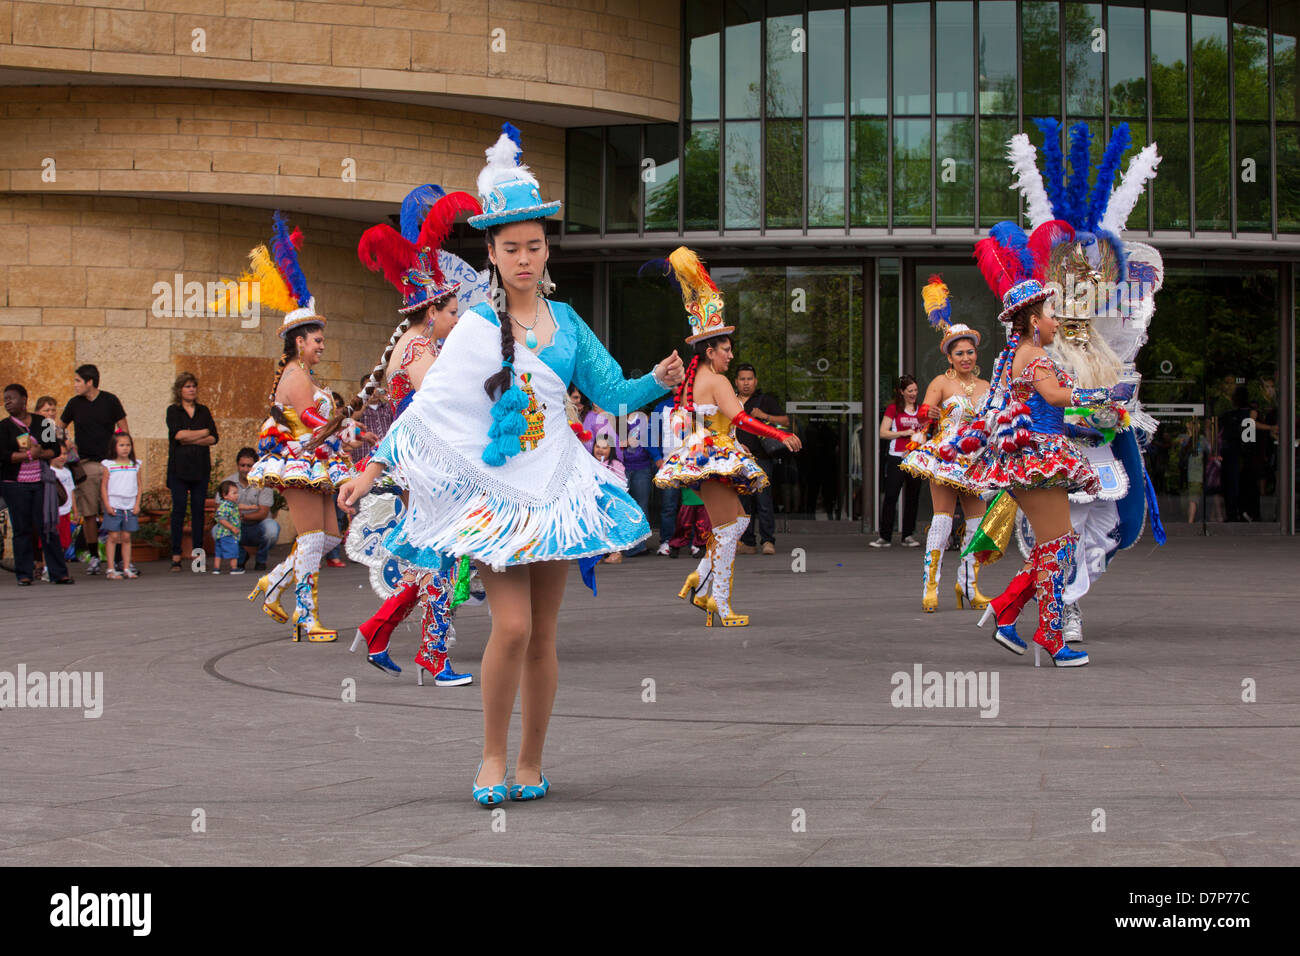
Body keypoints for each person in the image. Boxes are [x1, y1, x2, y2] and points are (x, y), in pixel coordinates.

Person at [339, 124, 684, 805]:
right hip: (497, 494)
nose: (524, 257)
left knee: (546, 633)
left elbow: (611, 393)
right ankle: (491, 756)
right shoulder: (475, 326)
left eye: (533, 245)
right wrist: (370, 472)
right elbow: (428, 408)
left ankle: (531, 761)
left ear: (546, 247)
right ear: (492, 253)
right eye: (510, 247)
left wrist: (659, 379)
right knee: (514, 626)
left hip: (556, 487)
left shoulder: (569, 323)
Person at [952, 216, 1135, 668]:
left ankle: (1007, 610)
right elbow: (1056, 396)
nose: (1057, 321)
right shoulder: (1035, 355)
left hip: (1029, 456)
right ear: (1033, 320)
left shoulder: (1017, 353)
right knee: (1060, 544)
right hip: (1038, 454)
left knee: (1059, 543)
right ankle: (1049, 635)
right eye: (1051, 315)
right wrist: (1104, 395)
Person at [345, 184, 481, 685]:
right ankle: (433, 658)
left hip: (423, 463)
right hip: (430, 464)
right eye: (451, 312)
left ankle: (379, 629)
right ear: (431, 313)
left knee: (435, 555)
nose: (457, 318)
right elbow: (435, 406)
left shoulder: (414, 344)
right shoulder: (422, 349)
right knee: (445, 557)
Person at [217, 212, 359, 642]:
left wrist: (351, 426)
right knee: (315, 538)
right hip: (299, 463)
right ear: (300, 341)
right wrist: (348, 424)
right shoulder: (296, 377)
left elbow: (321, 424)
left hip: (313, 459)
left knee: (329, 538)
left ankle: (272, 584)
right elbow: (315, 424)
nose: (321, 347)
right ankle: (304, 617)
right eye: (317, 341)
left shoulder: (304, 375)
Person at [651, 247, 802, 627]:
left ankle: (700, 582)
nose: (731, 356)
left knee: (736, 523)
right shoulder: (716, 380)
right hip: (713, 457)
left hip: (705, 454)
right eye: (727, 349)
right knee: (729, 527)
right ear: (710, 350)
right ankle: (717, 600)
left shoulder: (696, 379)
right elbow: (742, 419)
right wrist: (781, 435)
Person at [900, 276, 991, 611]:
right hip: (947, 455)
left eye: (970, 352)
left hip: (977, 459)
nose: (965, 357)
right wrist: (929, 411)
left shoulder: (985, 385)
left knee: (978, 526)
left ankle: (968, 585)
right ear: (949, 357)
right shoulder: (940, 381)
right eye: (959, 353)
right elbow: (922, 414)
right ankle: (931, 586)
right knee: (941, 520)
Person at [60, 364, 128, 575]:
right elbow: (57, 427)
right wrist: (67, 443)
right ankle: (94, 558)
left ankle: (118, 559)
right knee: (89, 513)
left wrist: (124, 456)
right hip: (86, 465)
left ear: (90, 382)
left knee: (114, 510)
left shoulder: (110, 400)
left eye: (78, 381)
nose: (75, 385)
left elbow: (124, 429)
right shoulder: (74, 404)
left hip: (110, 464)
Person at [2, 384, 72, 586]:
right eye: (5, 399)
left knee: (48, 527)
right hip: (15, 485)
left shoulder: (44, 424)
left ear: (24, 400)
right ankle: (24, 574)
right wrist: (28, 455)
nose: (7, 402)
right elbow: (5, 456)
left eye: (11, 398)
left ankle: (59, 573)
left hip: (41, 483)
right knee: (22, 529)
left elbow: (55, 450)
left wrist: (39, 453)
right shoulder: (4, 427)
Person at [165, 372, 219, 572]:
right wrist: (201, 433)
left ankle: (198, 558)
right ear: (179, 390)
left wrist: (193, 437)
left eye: (193, 386)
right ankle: (176, 556)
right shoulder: (173, 411)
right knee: (178, 511)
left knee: (198, 512)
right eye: (187, 386)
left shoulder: (203, 411)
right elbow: (178, 435)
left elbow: (213, 436)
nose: (191, 389)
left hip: (200, 469)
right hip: (179, 470)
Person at [733, 363, 787, 555]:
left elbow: (786, 421)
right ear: (736, 382)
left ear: (755, 381)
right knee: (743, 502)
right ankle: (748, 542)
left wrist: (764, 416)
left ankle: (767, 541)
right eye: (742, 379)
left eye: (749, 379)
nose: (746, 383)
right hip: (739, 460)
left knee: (764, 501)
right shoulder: (730, 401)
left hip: (762, 459)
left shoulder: (765, 400)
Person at [871, 374, 925, 548]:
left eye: (915, 390)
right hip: (896, 456)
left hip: (915, 458)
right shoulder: (893, 409)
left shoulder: (921, 410)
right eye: (910, 391)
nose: (913, 394)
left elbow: (927, 431)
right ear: (902, 392)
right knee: (891, 496)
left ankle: (908, 535)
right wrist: (903, 433)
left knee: (912, 497)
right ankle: (885, 536)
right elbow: (883, 432)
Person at [227, 448, 278, 571]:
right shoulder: (228, 483)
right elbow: (220, 509)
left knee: (272, 528)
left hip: (258, 526)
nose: (245, 469)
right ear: (237, 465)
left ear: (255, 466)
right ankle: (241, 556)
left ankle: (261, 559)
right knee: (217, 530)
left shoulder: (264, 483)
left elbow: (263, 513)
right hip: (237, 527)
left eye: (249, 466)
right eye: (242, 465)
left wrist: (241, 516)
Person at [100, 431, 142, 581]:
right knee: (113, 536)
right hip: (114, 505)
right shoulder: (109, 465)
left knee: (126, 536)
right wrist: (107, 504)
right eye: (122, 445)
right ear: (114, 447)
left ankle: (126, 567)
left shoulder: (135, 465)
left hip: (130, 506)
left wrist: (137, 504)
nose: (125, 448)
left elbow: (139, 486)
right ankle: (111, 568)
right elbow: (104, 486)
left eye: (128, 445)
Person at [620, 410, 656, 556]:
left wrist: (629, 441)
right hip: (620, 468)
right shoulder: (616, 417)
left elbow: (648, 440)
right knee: (624, 507)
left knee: (642, 507)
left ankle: (640, 544)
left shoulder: (643, 418)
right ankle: (626, 544)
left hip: (642, 467)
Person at [651, 392, 681, 554]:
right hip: (668, 463)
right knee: (669, 505)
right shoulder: (661, 407)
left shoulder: (694, 406)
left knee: (692, 505)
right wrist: (656, 457)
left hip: (691, 463)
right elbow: (651, 435)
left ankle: (694, 542)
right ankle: (666, 541)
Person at [211, 480, 243, 575]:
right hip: (228, 534)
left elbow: (241, 506)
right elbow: (222, 519)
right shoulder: (225, 506)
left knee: (218, 552)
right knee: (234, 550)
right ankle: (234, 568)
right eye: (234, 493)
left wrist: (251, 507)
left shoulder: (231, 505)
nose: (237, 495)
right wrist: (232, 528)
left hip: (220, 534)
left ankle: (216, 568)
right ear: (225, 495)